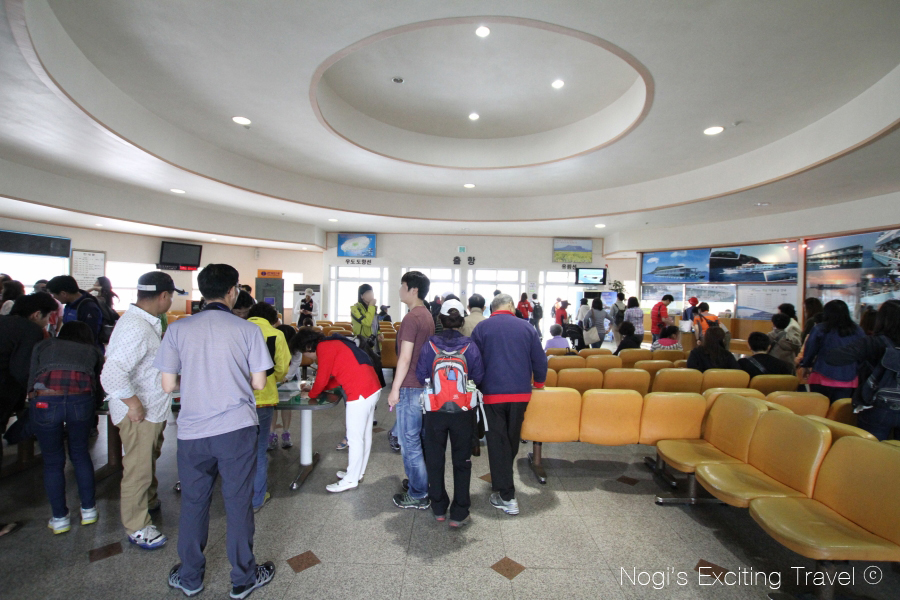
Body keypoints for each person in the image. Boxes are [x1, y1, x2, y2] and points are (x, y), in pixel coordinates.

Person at [153, 264, 275, 599]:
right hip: (236, 429)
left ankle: (190, 577)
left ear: (202, 291)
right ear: (233, 290)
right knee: (237, 502)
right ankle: (243, 578)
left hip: (192, 430)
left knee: (194, 502)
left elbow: (167, 385)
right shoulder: (247, 329)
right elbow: (259, 382)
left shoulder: (178, 329)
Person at [101, 271, 182, 549]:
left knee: (148, 460)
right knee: (138, 469)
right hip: (140, 413)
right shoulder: (135, 327)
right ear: (163, 296)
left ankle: (148, 500)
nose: (170, 301)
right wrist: (133, 404)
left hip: (152, 409)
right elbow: (111, 374)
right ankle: (137, 526)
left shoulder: (143, 322)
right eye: (171, 296)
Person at [471, 294, 547, 516]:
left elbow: (474, 361)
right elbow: (540, 359)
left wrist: (476, 385)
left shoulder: (482, 328)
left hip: (492, 394)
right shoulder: (527, 328)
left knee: (497, 441)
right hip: (520, 394)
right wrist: (539, 383)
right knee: (511, 439)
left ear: (491, 308)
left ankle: (507, 495)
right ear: (512, 306)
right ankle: (505, 482)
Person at [28, 321, 104, 534]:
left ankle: (60, 518)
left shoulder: (44, 346)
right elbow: (98, 385)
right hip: (81, 401)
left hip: (45, 400)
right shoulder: (92, 351)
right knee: (80, 454)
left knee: (52, 461)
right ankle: (89, 510)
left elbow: (32, 377)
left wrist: (32, 400)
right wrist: (95, 405)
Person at [414, 298, 484, 527]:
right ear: (462, 320)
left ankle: (438, 507)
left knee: (435, 459)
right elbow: (478, 376)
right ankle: (460, 511)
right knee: (462, 460)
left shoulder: (430, 345)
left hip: (435, 410)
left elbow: (421, 375)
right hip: (463, 410)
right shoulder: (470, 346)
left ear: (440, 319)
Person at [291, 327, 381, 492]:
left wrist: (311, 394)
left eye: (305, 353)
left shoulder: (323, 348)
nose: (308, 357)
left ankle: (350, 480)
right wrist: (319, 389)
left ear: (308, 347)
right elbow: (338, 376)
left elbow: (322, 378)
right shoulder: (333, 342)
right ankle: (357, 473)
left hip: (359, 391)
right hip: (372, 387)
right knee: (364, 435)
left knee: (354, 438)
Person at [387, 271, 434, 510]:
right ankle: (420, 483)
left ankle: (418, 494)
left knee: (409, 441)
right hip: (423, 385)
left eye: (402, 285)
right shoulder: (427, 315)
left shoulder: (411, 318)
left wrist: (394, 389)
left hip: (410, 386)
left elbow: (404, 358)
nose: (399, 290)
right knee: (419, 439)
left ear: (413, 289)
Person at [825, 300, 900, 440]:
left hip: (878, 406)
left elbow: (833, 358)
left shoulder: (873, 342)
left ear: (882, 319)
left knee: (871, 448)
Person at [246, 302, 290, 511]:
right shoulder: (276, 334)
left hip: (238, 398)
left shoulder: (238, 329)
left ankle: (237, 497)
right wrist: (275, 379)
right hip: (264, 397)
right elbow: (281, 367)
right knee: (259, 449)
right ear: (272, 319)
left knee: (237, 449)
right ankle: (257, 497)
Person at [0, 293, 58, 437]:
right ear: (37, 315)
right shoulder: (30, 330)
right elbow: (21, 369)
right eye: (47, 316)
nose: (47, 321)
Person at [799, 300, 865, 403]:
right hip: (848, 377)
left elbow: (810, 350)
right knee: (840, 409)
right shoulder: (858, 330)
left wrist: (805, 365)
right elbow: (863, 352)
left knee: (819, 408)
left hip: (821, 374)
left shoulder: (820, 329)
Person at [46, 276, 104, 348]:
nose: (54, 298)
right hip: (72, 347)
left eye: (53, 295)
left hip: (85, 350)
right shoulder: (69, 305)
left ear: (63, 294)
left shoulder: (89, 307)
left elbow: (91, 336)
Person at [351, 284, 386, 388]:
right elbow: (366, 322)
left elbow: (375, 324)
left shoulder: (373, 308)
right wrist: (371, 306)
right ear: (362, 296)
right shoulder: (355, 308)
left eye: (372, 292)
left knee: (376, 377)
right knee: (366, 376)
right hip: (363, 345)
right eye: (368, 293)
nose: (371, 295)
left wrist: (379, 333)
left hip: (374, 345)